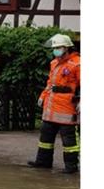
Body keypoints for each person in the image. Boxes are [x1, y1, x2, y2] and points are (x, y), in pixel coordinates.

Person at [28, 34, 80, 174]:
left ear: (66, 48)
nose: (55, 50)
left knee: (69, 141)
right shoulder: (54, 63)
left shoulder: (77, 63)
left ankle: (71, 166)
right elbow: (50, 83)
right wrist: (43, 96)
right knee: (45, 137)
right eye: (54, 48)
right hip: (51, 106)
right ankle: (43, 162)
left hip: (67, 107)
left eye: (58, 48)